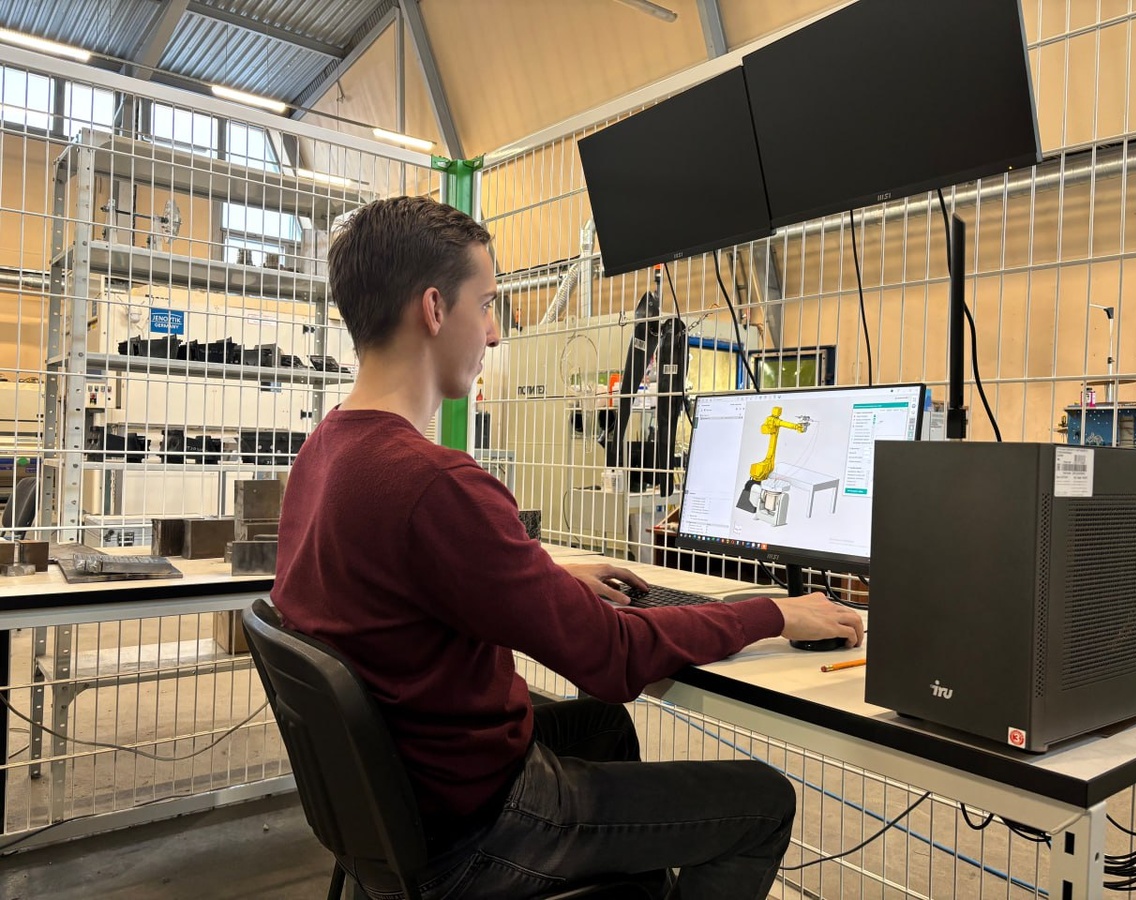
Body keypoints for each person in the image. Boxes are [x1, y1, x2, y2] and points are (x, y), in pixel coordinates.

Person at [272, 195, 864, 900]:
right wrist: (774, 613)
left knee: (602, 729)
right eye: (486, 305)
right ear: (433, 309)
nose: (495, 335)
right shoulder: (434, 482)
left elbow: (403, 577)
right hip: (475, 829)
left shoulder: (326, 449)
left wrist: (544, 570)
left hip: (398, 801)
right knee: (761, 802)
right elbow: (612, 657)